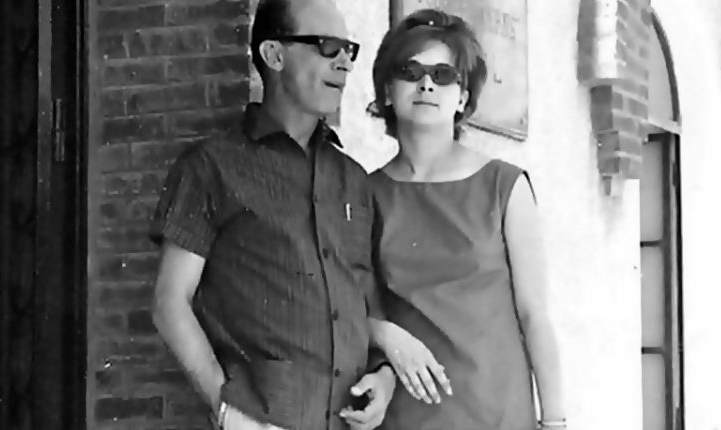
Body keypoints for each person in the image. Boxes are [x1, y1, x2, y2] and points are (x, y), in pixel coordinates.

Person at [148, 1, 396, 429]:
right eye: (327, 46)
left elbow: (366, 300)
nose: (344, 62)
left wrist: (384, 376)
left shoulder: (354, 180)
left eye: (349, 50)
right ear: (274, 54)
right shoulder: (211, 167)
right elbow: (169, 302)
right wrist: (226, 412)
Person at [363, 8, 567, 430]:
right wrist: (382, 334)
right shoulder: (363, 194)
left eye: (443, 75)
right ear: (387, 91)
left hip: (497, 411)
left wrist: (555, 422)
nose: (426, 84)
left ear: (462, 98)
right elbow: (348, 305)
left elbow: (534, 315)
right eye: (410, 71)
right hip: (404, 415)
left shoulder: (505, 187)